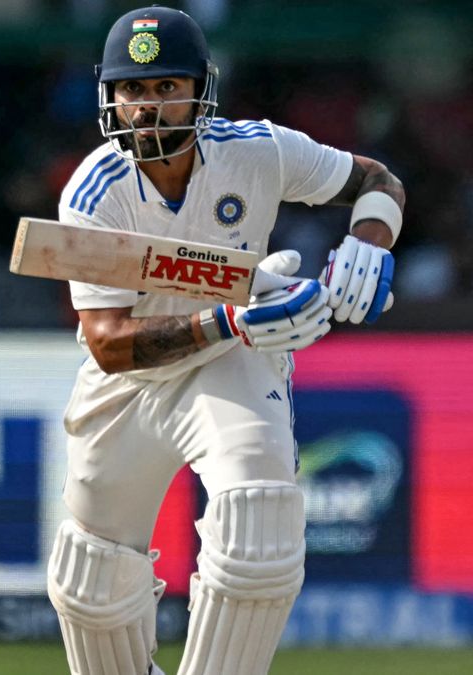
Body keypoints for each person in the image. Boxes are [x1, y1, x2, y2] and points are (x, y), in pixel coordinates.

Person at [44, 6, 404, 675]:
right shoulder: (94, 192)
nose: (147, 108)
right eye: (133, 91)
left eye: (165, 88)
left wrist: (370, 240)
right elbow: (108, 342)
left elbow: (378, 180)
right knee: (90, 579)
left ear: (200, 90)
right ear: (110, 97)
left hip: (231, 364)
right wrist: (230, 318)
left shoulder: (256, 151)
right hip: (132, 378)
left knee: (258, 526)